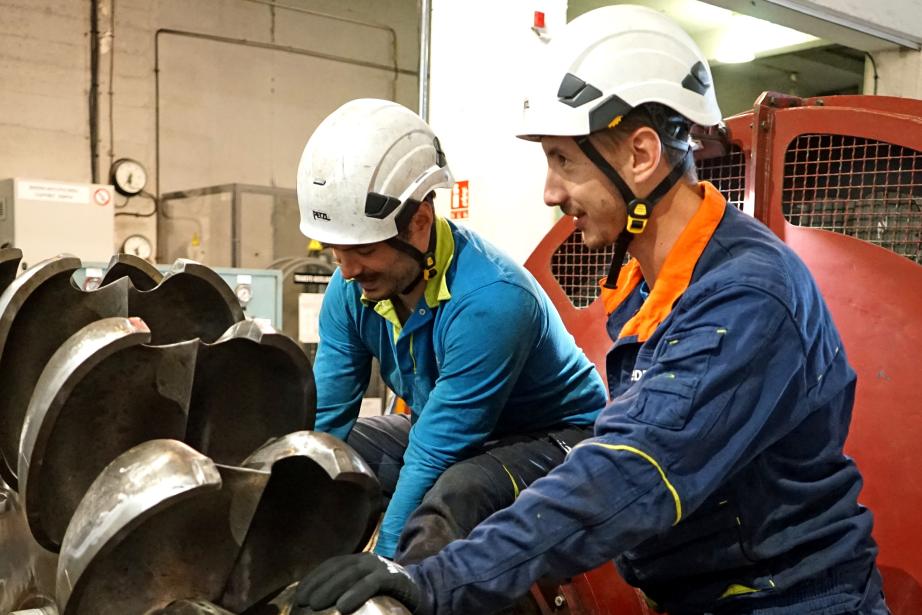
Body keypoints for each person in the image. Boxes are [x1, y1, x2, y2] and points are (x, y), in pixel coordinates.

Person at [294, 5, 890, 615]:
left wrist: (430, 578)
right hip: (699, 592)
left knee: (462, 489)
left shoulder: (745, 298)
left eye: (563, 160)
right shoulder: (640, 282)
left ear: (639, 155)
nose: (550, 193)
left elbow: (627, 475)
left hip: (788, 602)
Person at [296, 98, 608, 565]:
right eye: (336, 250)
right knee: (345, 452)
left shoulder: (491, 301)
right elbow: (327, 418)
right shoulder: (350, 285)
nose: (347, 269)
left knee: (453, 493)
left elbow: (432, 454)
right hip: (456, 428)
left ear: (419, 223)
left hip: (561, 436)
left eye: (360, 249)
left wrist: (385, 572)